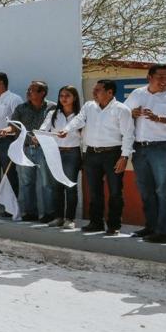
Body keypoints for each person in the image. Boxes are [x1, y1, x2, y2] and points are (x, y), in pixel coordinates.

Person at [59, 80, 134, 236]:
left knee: (115, 192)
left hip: (113, 154)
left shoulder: (122, 110)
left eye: (98, 90)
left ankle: (113, 226)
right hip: (91, 154)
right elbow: (79, 119)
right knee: (94, 191)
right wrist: (67, 129)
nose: (94, 93)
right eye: (94, 90)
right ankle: (96, 223)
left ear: (110, 93)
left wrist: (124, 157)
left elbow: (128, 135)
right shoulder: (89, 106)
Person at [124, 64, 166, 243]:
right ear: (149, 77)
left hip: (164, 148)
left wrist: (159, 118)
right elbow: (122, 113)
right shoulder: (138, 93)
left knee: (165, 190)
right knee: (146, 190)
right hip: (140, 148)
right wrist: (131, 113)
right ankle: (151, 227)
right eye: (160, 77)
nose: (165, 81)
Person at [0, 81, 56, 222]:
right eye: (28, 89)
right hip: (24, 150)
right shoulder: (21, 108)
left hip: (45, 150)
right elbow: (13, 126)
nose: (29, 92)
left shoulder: (52, 107)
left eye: (33, 90)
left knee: (47, 183)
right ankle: (30, 213)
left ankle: (49, 213)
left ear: (42, 93)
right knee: (26, 183)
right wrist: (5, 130)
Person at [40, 85, 82, 229]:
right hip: (55, 153)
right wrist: (38, 136)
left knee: (70, 187)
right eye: (61, 96)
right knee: (56, 187)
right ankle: (58, 217)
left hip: (72, 153)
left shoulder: (80, 114)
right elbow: (44, 128)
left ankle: (70, 219)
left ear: (74, 98)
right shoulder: (53, 113)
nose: (63, 99)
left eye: (67, 96)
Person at [0, 72, 23, 213]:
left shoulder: (14, 99)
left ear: (1, 83)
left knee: (9, 174)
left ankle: (10, 208)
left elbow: (18, 122)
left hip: (6, 141)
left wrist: (9, 131)